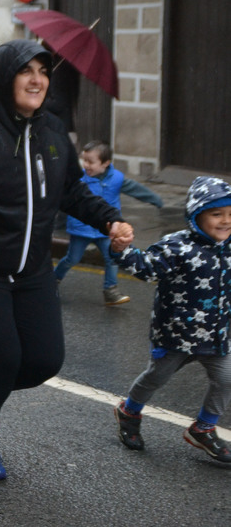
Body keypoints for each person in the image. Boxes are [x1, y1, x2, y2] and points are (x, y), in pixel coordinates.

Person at [0, 40, 134, 481]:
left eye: (44, 72)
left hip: (33, 270)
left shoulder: (54, 132)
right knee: (4, 359)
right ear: (6, 78)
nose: (37, 80)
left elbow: (72, 192)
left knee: (44, 362)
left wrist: (109, 219)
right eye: (26, 71)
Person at [112, 175, 231, 463]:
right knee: (156, 378)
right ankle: (129, 411)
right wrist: (122, 250)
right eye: (217, 214)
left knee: (227, 378)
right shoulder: (176, 246)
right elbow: (146, 268)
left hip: (216, 336)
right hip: (176, 335)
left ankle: (203, 428)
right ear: (196, 215)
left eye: (230, 214)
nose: (226, 221)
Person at [54, 140, 163, 306]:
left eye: (90, 161)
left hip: (108, 230)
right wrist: (58, 223)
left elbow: (136, 189)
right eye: (84, 160)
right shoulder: (78, 178)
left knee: (112, 259)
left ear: (105, 163)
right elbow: (67, 201)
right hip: (81, 229)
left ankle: (110, 291)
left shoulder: (117, 178)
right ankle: (53, 280)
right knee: (72, 259)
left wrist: (155, 199)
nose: (85, 165)